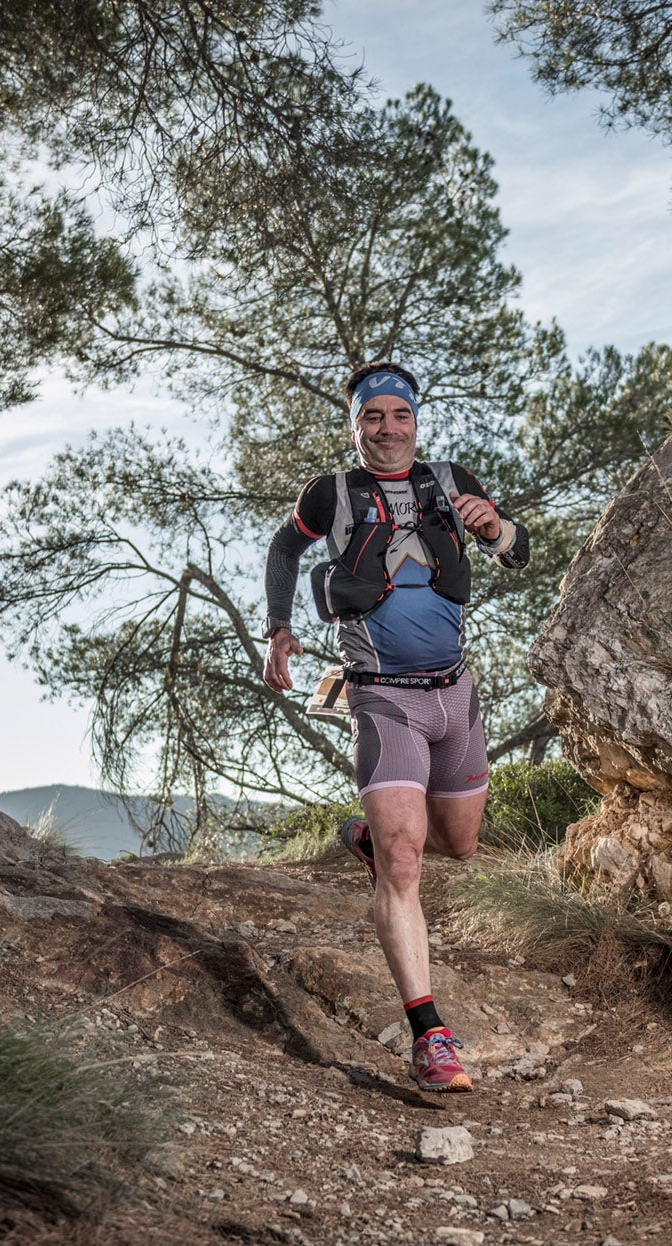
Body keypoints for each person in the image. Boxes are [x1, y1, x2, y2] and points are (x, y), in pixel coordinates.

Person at [260, 361, 531, 1092]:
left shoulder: (453, 479)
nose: (387, 428)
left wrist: (497, 528)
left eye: (398, 415)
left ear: (415, 421)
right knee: (406, 863)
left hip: (456, 694)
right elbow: (286, 547)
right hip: (381, 696)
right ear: (355, 426)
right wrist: (279, 628)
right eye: (372, 416)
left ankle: (367, 840)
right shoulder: (332, 492)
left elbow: (520, 552)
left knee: (459, 845)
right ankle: (431, 1036)